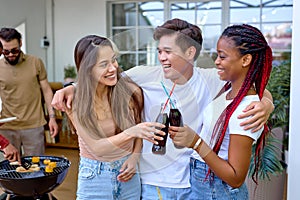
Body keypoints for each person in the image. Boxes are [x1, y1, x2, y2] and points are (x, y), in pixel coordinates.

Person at [52, 19, 274, 199]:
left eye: (168, 51)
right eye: (159, 51)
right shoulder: (143, 74)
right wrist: (72, 87)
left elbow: (249, 84)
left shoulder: (210, 79)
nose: (161, 58)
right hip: (150, 184)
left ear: (189, 53)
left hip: (191, 184)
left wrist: (266, 103)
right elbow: (102, 76)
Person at [169, 24, 273, 199]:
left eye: (222, 56)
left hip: (217, 190)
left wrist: (195, 142)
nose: (216, 61)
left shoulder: (246, 111)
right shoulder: (228, 90)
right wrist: (268, 101)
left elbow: (236, 178)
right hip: (203, 183)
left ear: (245, 60)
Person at [64, 35, 165, 200]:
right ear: (87, 69)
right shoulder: (76, 101)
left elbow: (139, 129)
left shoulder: (129, 92)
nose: (113, 68)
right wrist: (132, 132)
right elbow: (97, 148)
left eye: (113, 60)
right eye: (104, 64)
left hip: (128, 173)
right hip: (94, 177)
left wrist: (134, 157)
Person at [0, 28, 58, 156]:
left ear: (20, 43)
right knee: (12, 171)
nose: (10, 54)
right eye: (6, 51)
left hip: (34, 125)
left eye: (14, 50)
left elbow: (47, 91)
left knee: (36, 169)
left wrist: (52, 117)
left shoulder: (35, 62)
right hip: (7, 127)